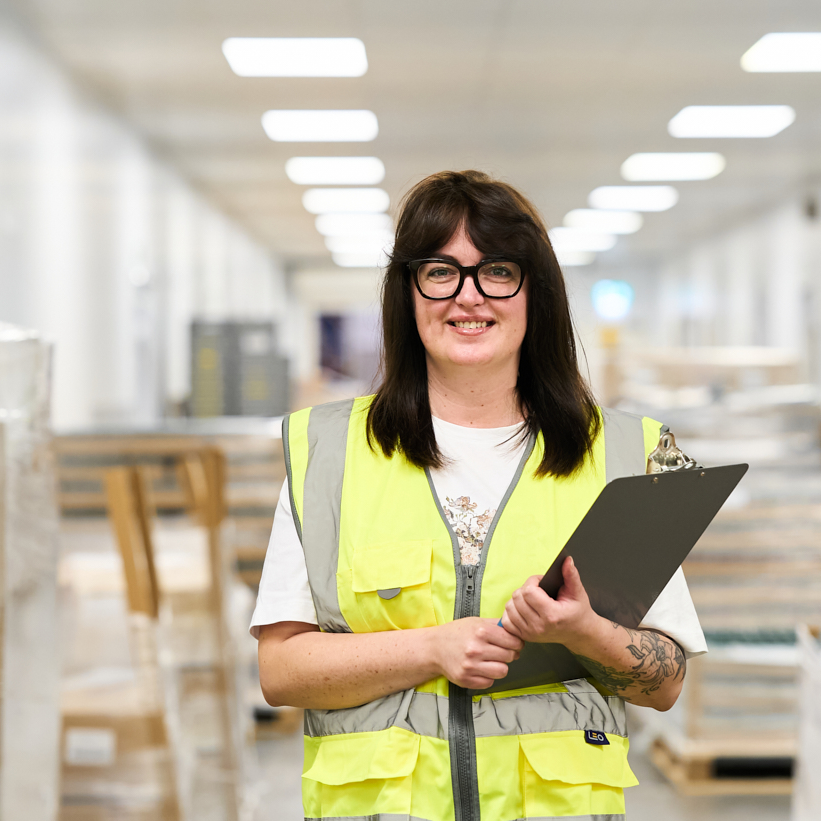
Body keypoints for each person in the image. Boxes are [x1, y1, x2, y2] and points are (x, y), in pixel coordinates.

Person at [253, 170, 706, 821]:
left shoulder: (627, 456)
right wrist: (430, 648)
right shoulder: (329, 453)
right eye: (440, 271)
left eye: (496, 271)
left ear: (536, 292)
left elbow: (664, 682)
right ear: (407, 293)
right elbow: (281, 671)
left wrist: (587, 633)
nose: (468, 297)